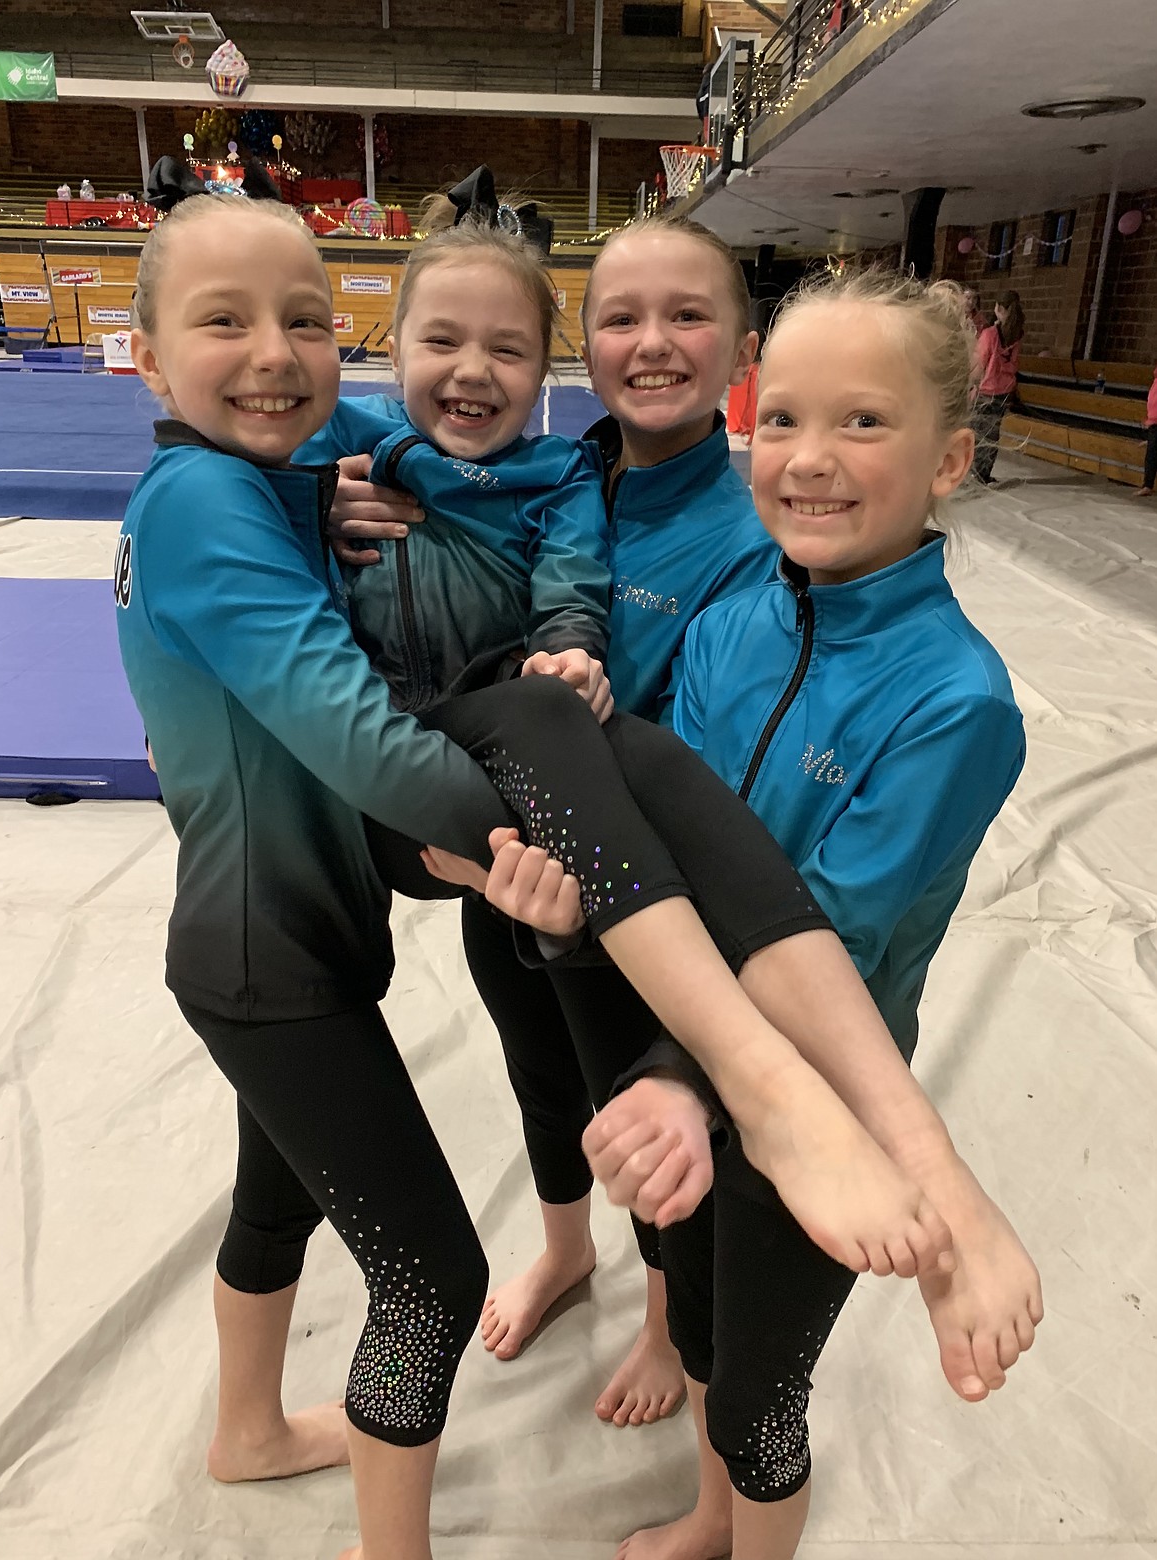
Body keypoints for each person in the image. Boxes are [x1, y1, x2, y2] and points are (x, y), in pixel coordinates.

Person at [117, 193, 955, 1560]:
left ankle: (251, 1429)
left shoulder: (621, 502)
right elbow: (336, 709)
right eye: (621, 313)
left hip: (373, 923)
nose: (274, 352)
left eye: (300, 322)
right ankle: (371, 1504)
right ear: (147, 355)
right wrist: (539, 825)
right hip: (325, 931)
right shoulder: (261, 479)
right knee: (431, 1275)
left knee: (289, 1187)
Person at [579, 269, 1044, 1560]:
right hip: (680, 1033)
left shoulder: (956, 703)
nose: (808, 460)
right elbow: (663, 830)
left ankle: (751, 1527)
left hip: (822, 1093)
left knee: (762, 1383)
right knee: (698, 1311)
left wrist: (689, 1069)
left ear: (949, 457)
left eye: (861, 423)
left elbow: (820, 938)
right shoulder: (735, 619)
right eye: (778, 420)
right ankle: (711, 1517)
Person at [321, 212, 782, 1426]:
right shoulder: (539, 471)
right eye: (622, 317)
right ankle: (567, 1250)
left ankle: (658, 1316)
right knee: (540, 1077)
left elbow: (709, 756)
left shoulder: (744, 538)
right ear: (580, 345)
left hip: (631, 884)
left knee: (633, 1097)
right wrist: (325, 514)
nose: (652, 343)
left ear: (741, 345)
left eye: (688, 315)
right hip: (507, 854)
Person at [971, 288, 1024, 485]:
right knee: (992, 433)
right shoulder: (1016, 335)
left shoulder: (990, 334)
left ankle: (973, 473)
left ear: (998, 308)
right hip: (1003, 390)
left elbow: (979, 363)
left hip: (985, 390)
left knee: (977, 432)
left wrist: (971, 385)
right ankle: (984, 473)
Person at [1132, 361, 1157, 498]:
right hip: (1154, 422)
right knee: (1151, 455)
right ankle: (1147, 485)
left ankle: (1148, 485)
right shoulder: (1156, 380)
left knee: (1152, 453)